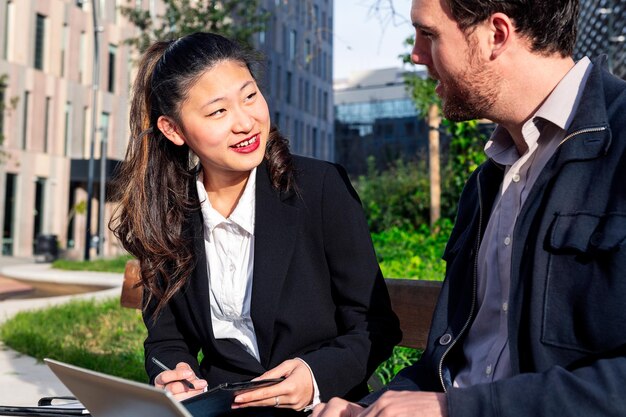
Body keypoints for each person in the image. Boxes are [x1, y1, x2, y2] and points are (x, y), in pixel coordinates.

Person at [312, 0, 626, 416]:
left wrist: (455, 409)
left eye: (429, 34)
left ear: (496, 34)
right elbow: (450, 363)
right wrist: (370, 410)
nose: (416, 54)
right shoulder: (488, 178)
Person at [110, 32, 401, 415]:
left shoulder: (320, 189)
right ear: (174, 130)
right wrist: (175, 375)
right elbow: (167, 338)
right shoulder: (168, 216)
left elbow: (374, 324)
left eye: (250, 96)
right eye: (218, 112)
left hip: (318, 408)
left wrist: (314, 376)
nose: (246, 122)